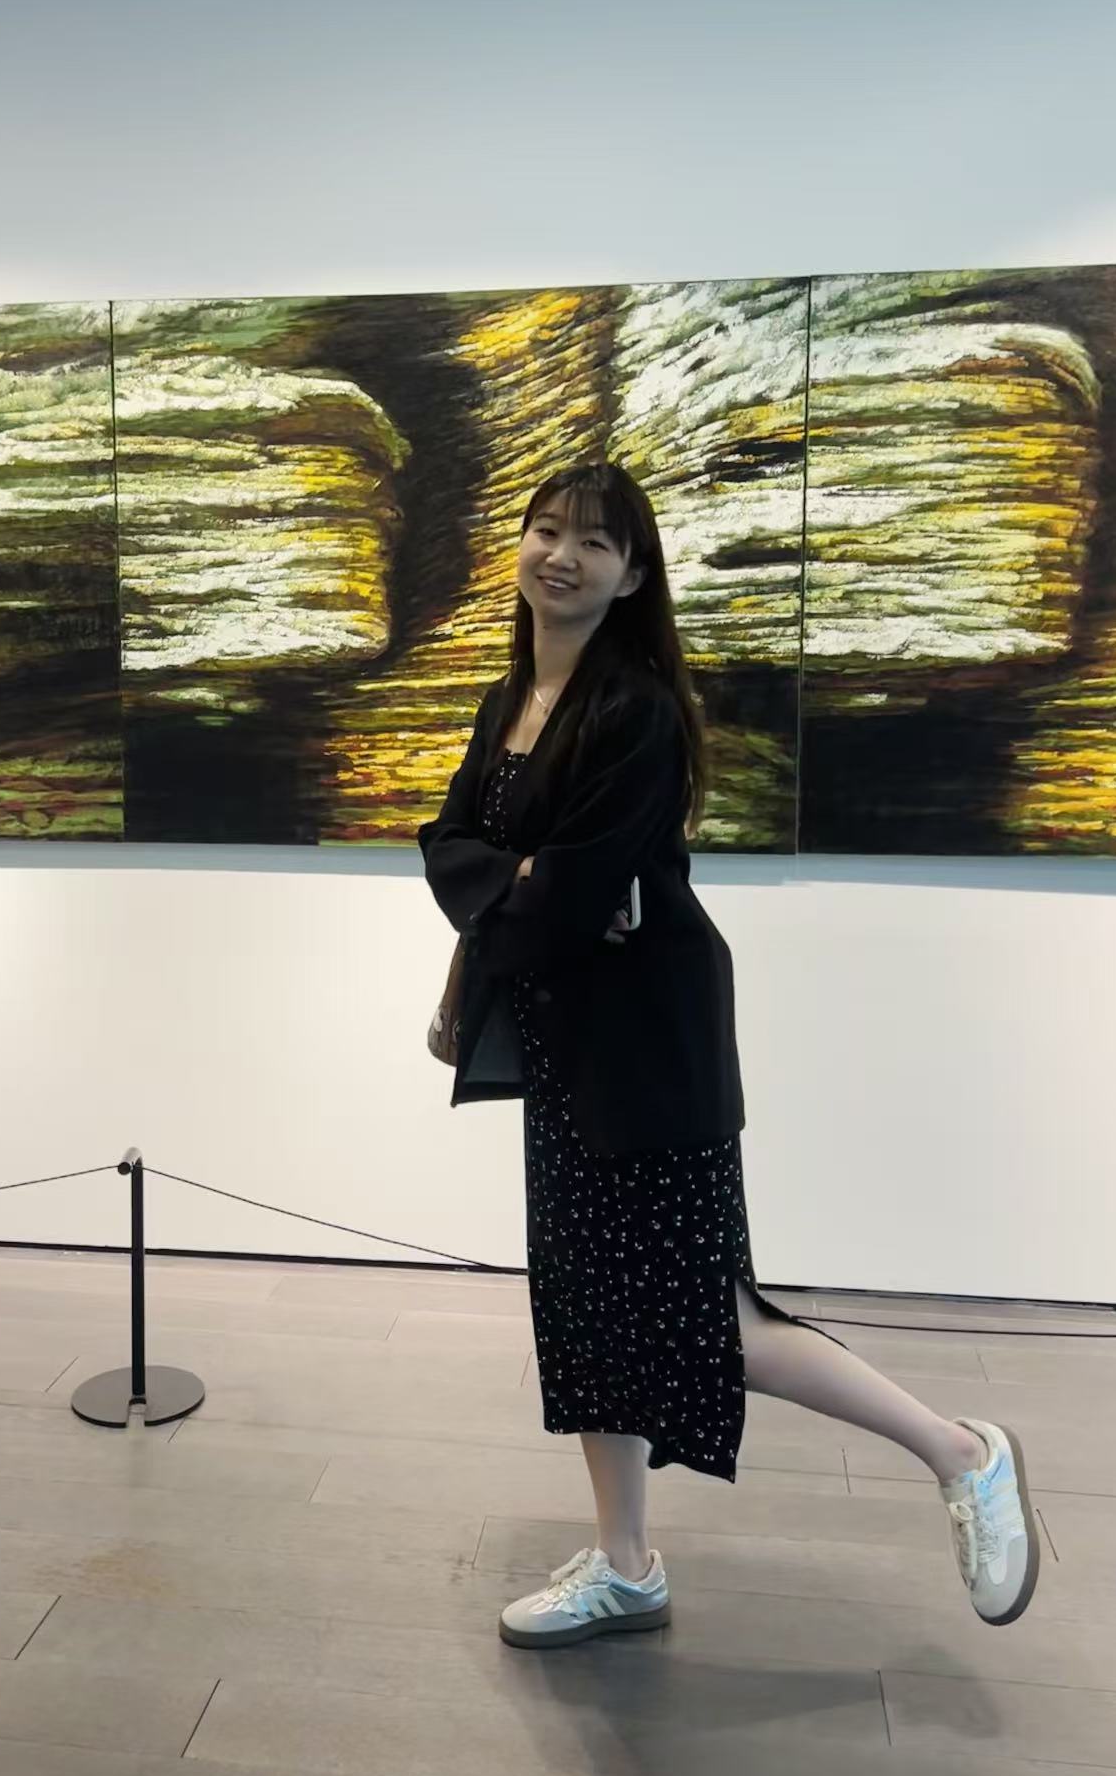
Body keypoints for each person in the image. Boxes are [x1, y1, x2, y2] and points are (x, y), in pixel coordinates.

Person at [419, 460, 1040, 1649]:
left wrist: (528, 887)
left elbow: (560, 895)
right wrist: (511, 904)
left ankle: (963, 1452)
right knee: (587, 1308)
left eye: (594, 542)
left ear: (631, 575)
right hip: (565, 1046)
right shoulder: (508, 702)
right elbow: (452, 848)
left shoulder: (636, 711)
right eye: (546, 530)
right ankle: (626, 1567)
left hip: (651, 1048)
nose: (561, 555)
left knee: (708, 1319)